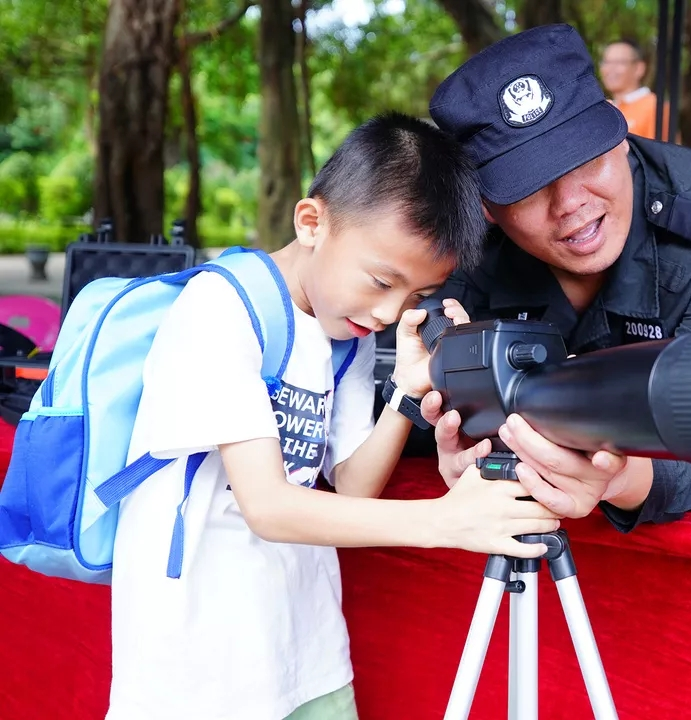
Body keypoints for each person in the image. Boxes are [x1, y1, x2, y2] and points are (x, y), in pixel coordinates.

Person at [105, 113, 562, 720]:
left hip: (307, 647)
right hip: (198, 667)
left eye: (413, 297)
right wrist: (444, 522)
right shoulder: (221, 308)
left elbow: (353, 483)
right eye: (380, 281)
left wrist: (405, 390)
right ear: (312, 222)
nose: (387, 312)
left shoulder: (344, 333)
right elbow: (267, 505)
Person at [416, 24, 691, 534]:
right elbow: (409, 382)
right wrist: (463, 434)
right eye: (527, 188)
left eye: (585, 160)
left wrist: (618, 480)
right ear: (487, 207)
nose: (571, 205)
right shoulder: (462, 244)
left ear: (620, 136)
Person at [599, 38, 673, 141]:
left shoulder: (654, 106)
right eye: (606, 62)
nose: (610, 69)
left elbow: (663, 153)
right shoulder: (607, 109)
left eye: (619, 62)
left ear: (639, 68)